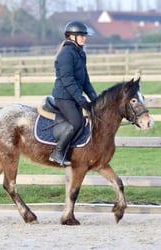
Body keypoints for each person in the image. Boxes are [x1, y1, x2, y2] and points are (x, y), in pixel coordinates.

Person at [49, 21, 98, 166]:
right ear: (71, 36)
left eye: (84, 35)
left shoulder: (80, 53)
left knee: (83, 122)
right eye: (81, 35)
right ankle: (57, 152)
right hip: (64, 96)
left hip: (73, 95)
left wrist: (95, 99)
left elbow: (85, 80)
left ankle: (72, 151)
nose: (84, 38)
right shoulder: (66, 54)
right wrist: (81, 99)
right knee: (77, 122)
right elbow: (67, 80)